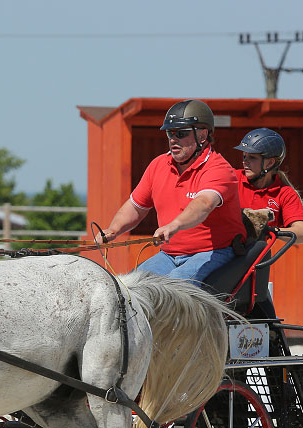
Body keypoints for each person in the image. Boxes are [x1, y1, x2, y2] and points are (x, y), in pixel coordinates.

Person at [96, 99, 244, 287]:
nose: (173, 139)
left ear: (203, 135)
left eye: (181, 133)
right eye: (170, 133)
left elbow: (204, 204)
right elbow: (136, 206)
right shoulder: (158, 165)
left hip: (214, 252)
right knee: (128, 287)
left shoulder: (219, 169)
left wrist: (174, 225)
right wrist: (113, 230)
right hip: (169, 254)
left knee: (171, 290)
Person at [234, 128, 303, 243]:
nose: (245, 161)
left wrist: (269, 230)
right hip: (225, 249)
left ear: (270, 163)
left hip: (257, 257)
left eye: (252, 157)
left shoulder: (285, 193)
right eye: (244, 156)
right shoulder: (232, 178)